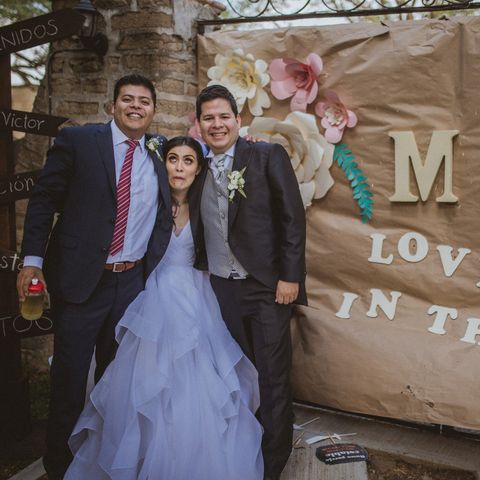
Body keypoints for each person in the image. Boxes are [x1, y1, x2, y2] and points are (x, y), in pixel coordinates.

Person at [63, 136, 263, 479]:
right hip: (153, 292)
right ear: (163, 163)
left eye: (188, 161)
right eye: (173, 159)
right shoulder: (151, 201)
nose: (179, 167)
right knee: (148, 377)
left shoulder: (207, 205)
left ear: (198, 169)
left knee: (196, 377)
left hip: (197, 293)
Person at [17, 74, 173, 480]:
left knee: (115, 383)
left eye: (144, 100)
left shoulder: (158, 155)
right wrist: (31, 260)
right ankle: (60, 467)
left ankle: (101, 461)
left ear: (153, 110)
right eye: (127, 99)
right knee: (69, 381)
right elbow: (44, 200)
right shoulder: (80, 141)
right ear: (112, 106)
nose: (136, 106)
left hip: (131, 285)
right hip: (82, 281)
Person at [190, 84, 307, 480]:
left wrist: (290, 277)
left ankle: (272, 467)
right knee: (238, 373)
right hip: (221, 289)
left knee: (272, 377)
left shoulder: (266, 154)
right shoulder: (196, 168)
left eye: (224, 116)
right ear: (199, 124)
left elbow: (293, 218)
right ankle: (242, 452)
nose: (217, 124)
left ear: (238, 121)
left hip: (267, 286)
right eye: (209, 118)